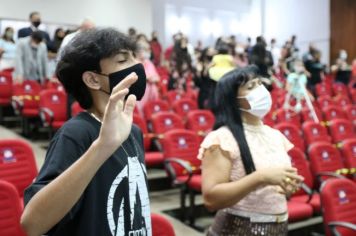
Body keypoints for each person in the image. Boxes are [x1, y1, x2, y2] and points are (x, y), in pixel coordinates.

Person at [20, 28, 152, 236]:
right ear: (92, 80)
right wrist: (102, 147)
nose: (137, 66)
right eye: (122, 60)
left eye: (135, 57)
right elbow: (33, 223)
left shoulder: (133, 131)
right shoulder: (76, 133)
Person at [199, 66, 304, 236]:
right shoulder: (222, 138)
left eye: (259, 83)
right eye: (250, 87)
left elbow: (277, 185)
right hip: (237, 229)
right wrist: (260, 177)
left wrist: (287, 187)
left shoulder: (275, 136)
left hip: (278, 228)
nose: (260, 90)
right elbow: (211, 199)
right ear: (233, 99)